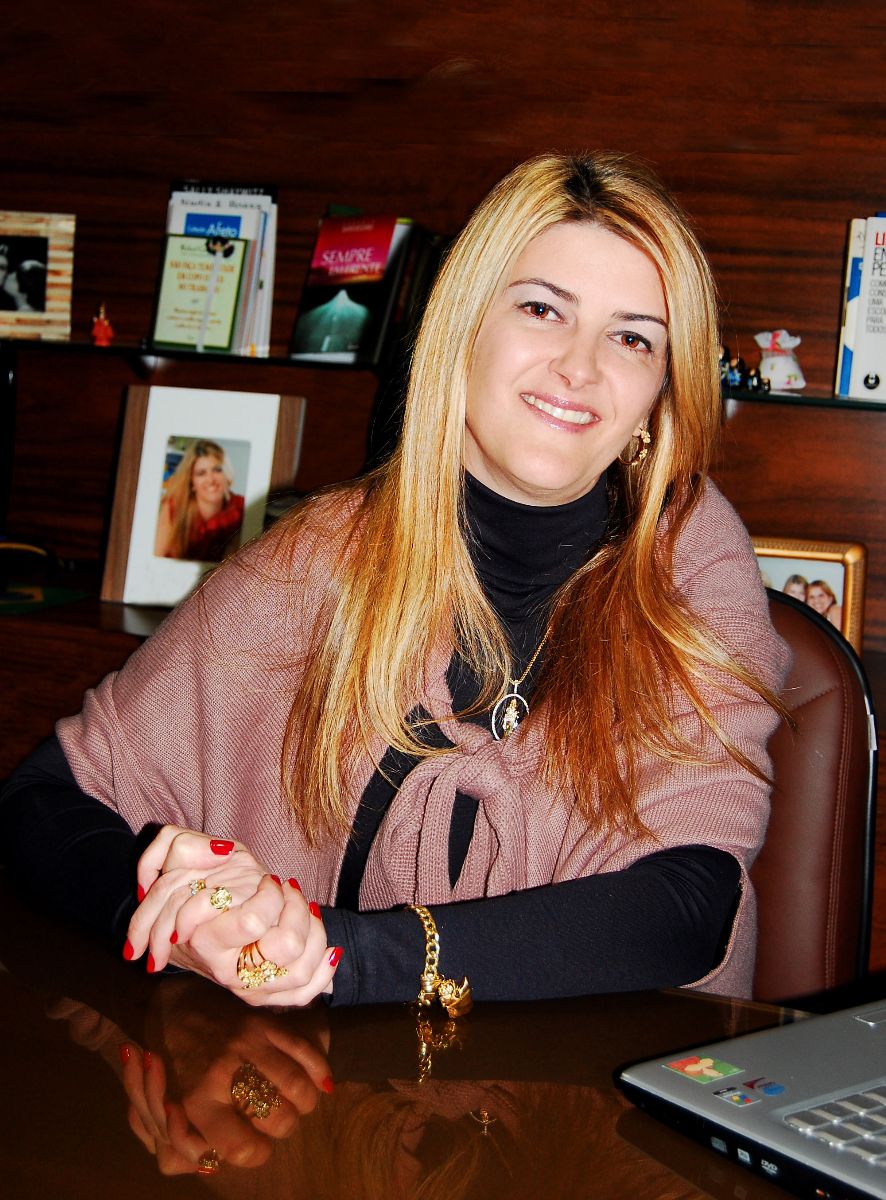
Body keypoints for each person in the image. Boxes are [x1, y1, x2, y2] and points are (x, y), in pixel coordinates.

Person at [0, 152, 790, 1015]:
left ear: (659, 394)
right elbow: (43, 798)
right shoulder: (322, 554)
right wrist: (177, 917)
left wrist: (339, 955)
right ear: (464, 327)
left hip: (591, 1083)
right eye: (541, 309)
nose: (580, 366)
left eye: (633, 337)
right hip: (309, 1082)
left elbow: (686, 902)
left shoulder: (690, 558)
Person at [154, 438, 245, 563]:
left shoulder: (241, 509)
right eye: (201, 473)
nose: (210, 479)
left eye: (217, 470)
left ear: (226, 474)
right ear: (191, 482)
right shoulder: (174, 506)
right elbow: (156, 558)